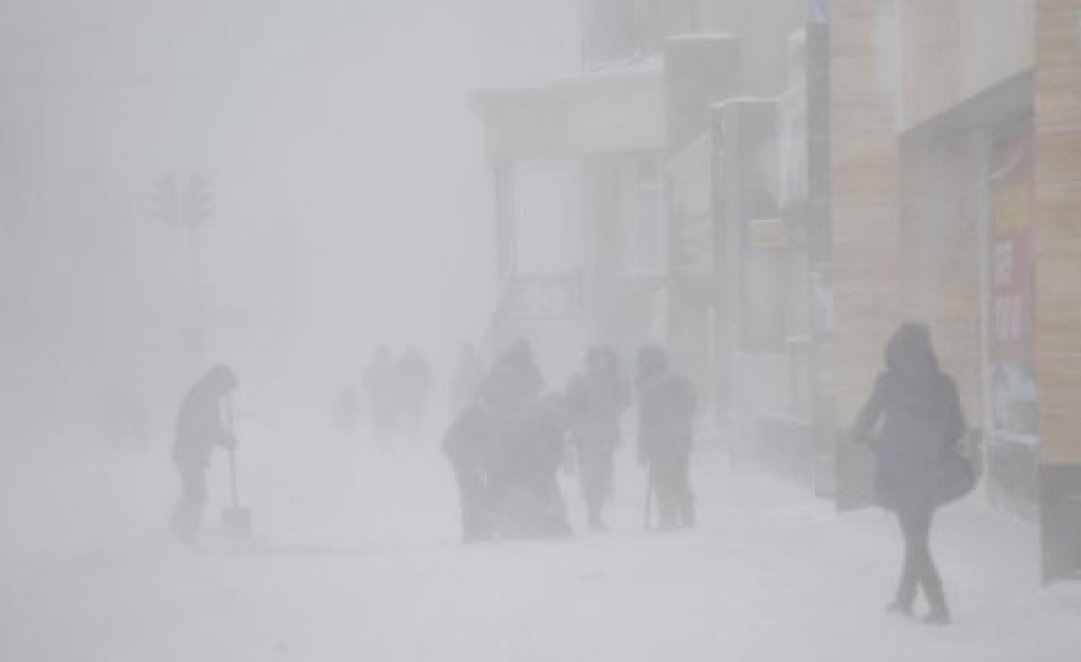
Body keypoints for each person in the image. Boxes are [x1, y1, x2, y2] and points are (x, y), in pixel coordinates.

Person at [851, 322, 965, 625]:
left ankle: (939, 606)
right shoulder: (945, 384)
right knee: (917, 536)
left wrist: (871, 440)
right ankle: (905, 599)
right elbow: (957, 429)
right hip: (932, 473)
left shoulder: (888, 383)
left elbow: (861, 425)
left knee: (915, 540)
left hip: (898, 473)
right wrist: (934, 447)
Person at [170, 364, 238, 543]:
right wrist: (225, 440)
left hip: (187, 452)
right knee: (197, 495)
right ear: (221, 384)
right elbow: (208, 427)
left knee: (191, 493)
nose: (225, 395)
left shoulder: (203, 393)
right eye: (226, 390)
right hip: (189, 453)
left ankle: (173, 531)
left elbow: (207, 427)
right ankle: (184, 537)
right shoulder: (205, 397)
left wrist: (222, 439)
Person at [564, 345, 629, 530]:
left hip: (605, 434)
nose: (603, 363)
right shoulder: (579, 380)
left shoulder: (614, 380)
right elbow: (570, 406)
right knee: (592, 475)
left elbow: (625, 402)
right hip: (586, 435)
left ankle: (596, 512)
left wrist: (623, 388)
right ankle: (593, 514)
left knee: (602, 475)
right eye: (600, 359)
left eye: (606, 359)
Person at [635, 345, 696, 531]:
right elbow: (691, 408)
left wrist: (643, 450)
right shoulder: (682, 381)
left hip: (660, 442)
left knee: (662, 481)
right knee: (680, 479)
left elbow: (646, 421)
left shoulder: (649, 386)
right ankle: (688, 517)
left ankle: (667, 520)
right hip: (680, 439)